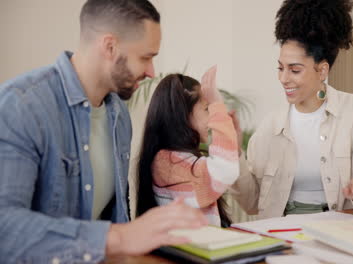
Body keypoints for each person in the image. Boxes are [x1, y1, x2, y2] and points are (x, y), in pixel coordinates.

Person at [0, 1, 207, 263]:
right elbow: (4, 228)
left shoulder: (119, 116)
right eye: (146, 57)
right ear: (109, 46)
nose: (152, 72)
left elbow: (115, 216)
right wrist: (120, 237)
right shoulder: (21, 106)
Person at [231, 0, 353, 219]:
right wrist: (233, 153)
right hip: (282, 230)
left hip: (339, 228)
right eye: (280, 68)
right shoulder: (271, 125)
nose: (284, 78)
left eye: (295, 70)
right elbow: (251, 203)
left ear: (322, 70)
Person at [136, 67, 240, 228]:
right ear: (183, 114)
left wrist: (233, 144)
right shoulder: (167, 162)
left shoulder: (179, 159)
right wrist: (217, 105)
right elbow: (225, 170)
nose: (211, 116)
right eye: (206, 109)